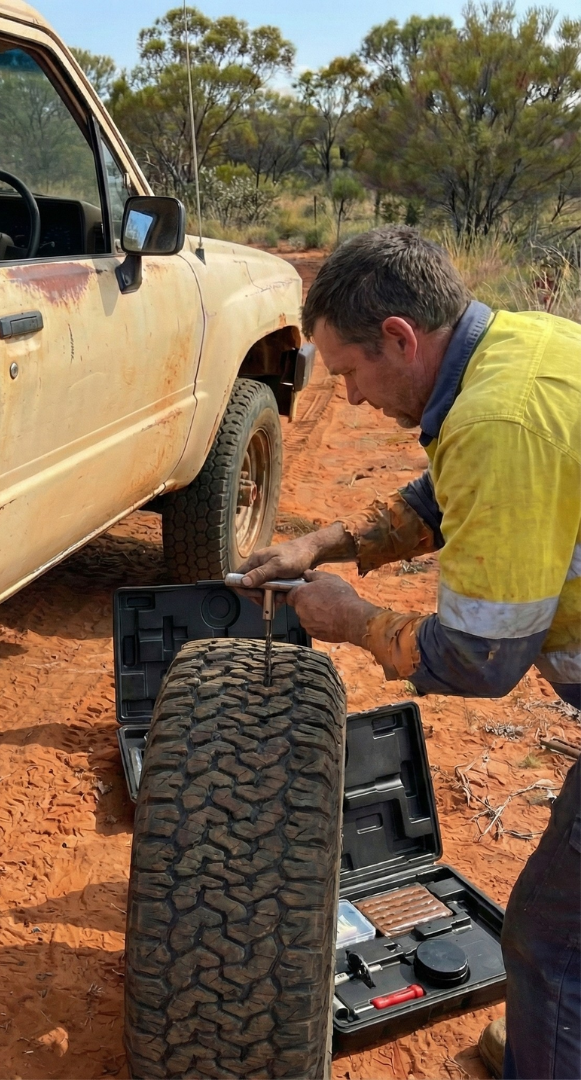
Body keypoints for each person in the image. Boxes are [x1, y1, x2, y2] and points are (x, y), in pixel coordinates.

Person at [236, 226, 580, 1079]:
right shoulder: (521, 344)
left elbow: (478, 659)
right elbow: (441, 493)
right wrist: (323, 541)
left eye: (348, 373)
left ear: (400, 336)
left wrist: (351, 619)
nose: (347, 399)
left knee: (547, 936)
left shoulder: (499, 422)